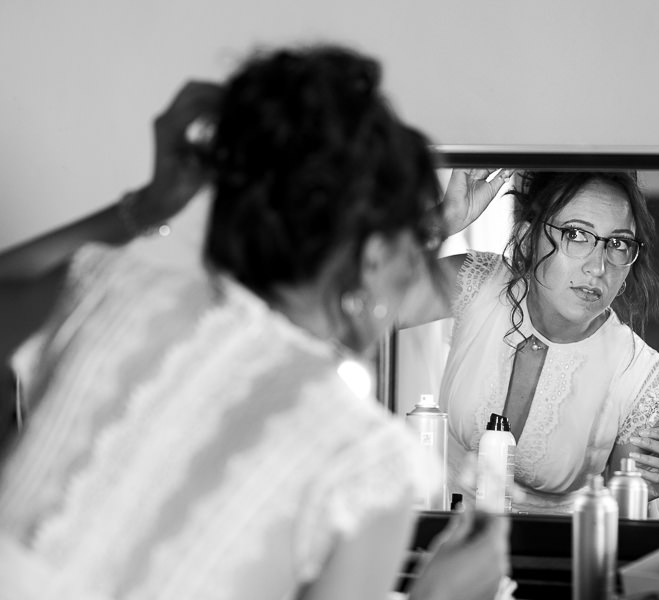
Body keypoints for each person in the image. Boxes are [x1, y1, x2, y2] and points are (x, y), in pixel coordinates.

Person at [0, 45, 509, 600]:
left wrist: (148, 205)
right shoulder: (366, 466)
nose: (418, 269)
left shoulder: (108, 297)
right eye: (415, 248)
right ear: (371, 256)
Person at [400, 169, 659, 516]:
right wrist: (442, 221)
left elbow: (628, 538)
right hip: (433, 544)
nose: (598, 266)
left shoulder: (639, 376)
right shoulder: (477, 284)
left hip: (552, 564)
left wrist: (640, 493)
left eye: (618, 243)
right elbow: (353, 300)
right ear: (525, 240)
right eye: (576, 234)